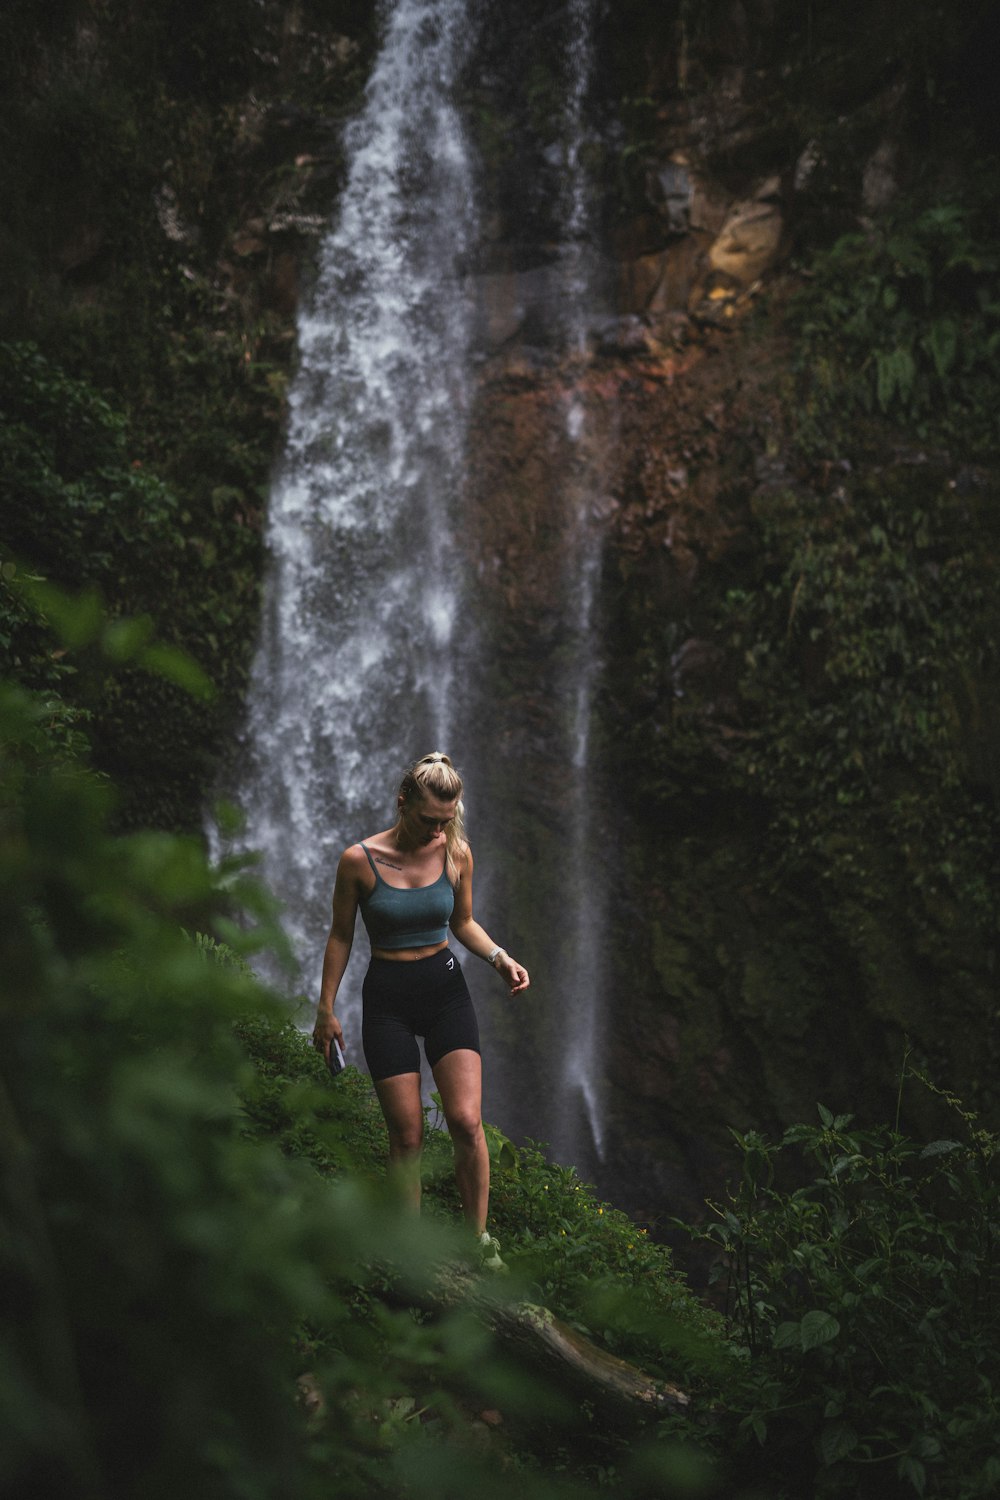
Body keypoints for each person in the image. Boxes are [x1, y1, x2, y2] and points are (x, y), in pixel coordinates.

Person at [312, 752, 529, 1268]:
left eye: (446, 821)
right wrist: (326, 1008)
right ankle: (409, 1252)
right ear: (403, 801)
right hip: (386, 995)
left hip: (444, 989)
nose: (437, 830)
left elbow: (465, 922)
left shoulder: (456, 853)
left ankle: (477, 1242)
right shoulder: (358, 860)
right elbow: (341, 935)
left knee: (466, 1121)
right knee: (406, 1133)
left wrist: (500, 958)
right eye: (429, 819)